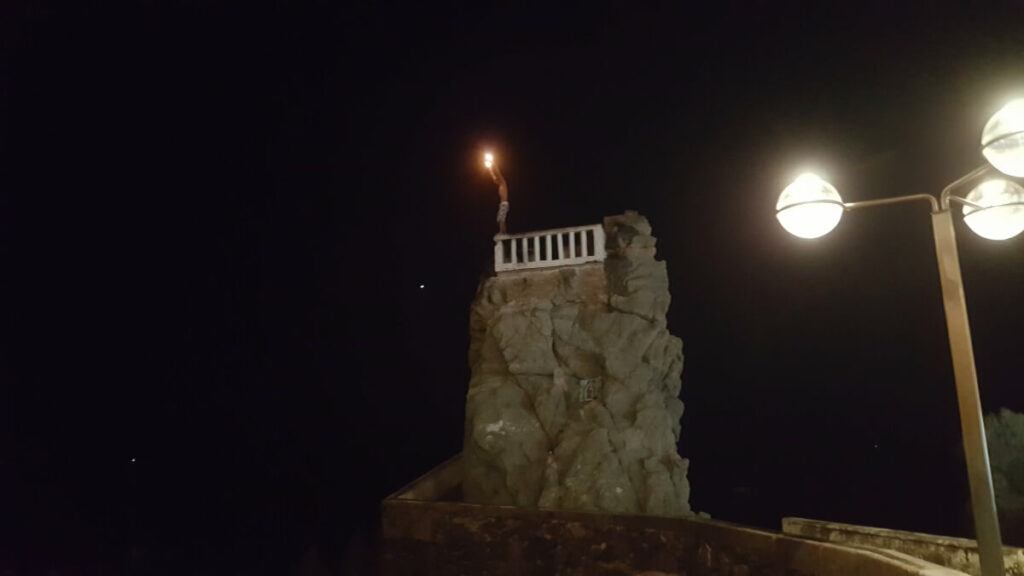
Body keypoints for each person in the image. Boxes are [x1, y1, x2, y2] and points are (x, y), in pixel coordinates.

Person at [488, 160, 509, 234]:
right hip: (502, 204)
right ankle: (503, 231)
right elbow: (494, 177)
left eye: (496, 180)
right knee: (499, 218)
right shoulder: (500, 185)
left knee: (501, 218)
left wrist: (493, 163)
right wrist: (490, 169)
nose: (495, 181)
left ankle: (502, 232)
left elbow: (498, 173)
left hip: (504, 203)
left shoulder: (503, 183)